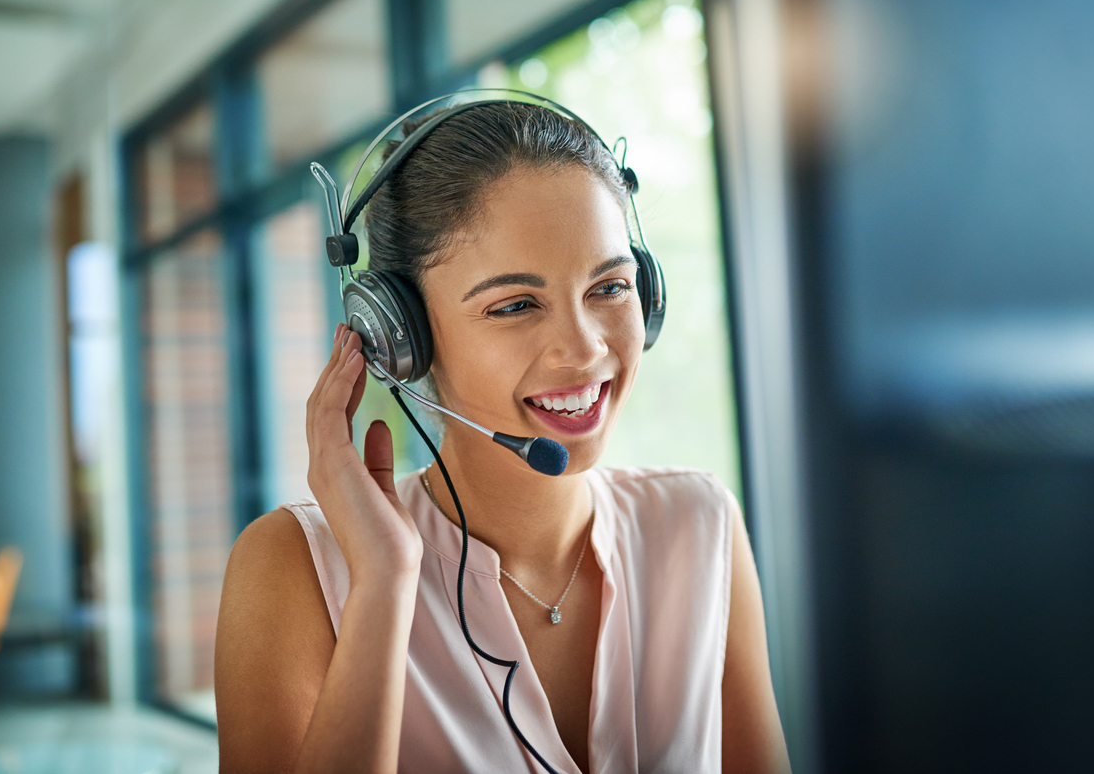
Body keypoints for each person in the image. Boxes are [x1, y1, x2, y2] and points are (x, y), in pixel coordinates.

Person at [214, 98, 791, 773]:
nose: (582, 349)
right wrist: (382, 584)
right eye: (514, 305)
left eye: (609, 287)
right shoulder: (293, 567)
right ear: (399, 336)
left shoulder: (697, 524)